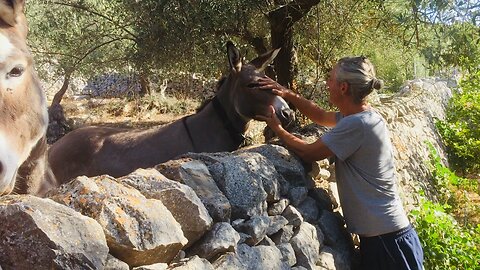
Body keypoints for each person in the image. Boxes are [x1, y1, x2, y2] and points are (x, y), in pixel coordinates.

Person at [256, 56, 424, 270]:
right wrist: (287, 93)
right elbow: (320, 115)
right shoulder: (362, 116)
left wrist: (278, 129)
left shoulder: (357, 124)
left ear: (343, 87)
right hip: (387, 236)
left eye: (331, 79)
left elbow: (308, 152)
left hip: (386, 243)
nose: (327, 83)